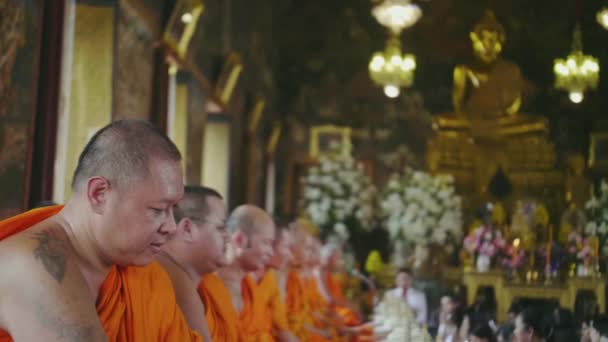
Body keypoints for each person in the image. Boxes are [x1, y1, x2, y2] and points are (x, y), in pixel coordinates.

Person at [0, 120, 201, 341]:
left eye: (173, 209)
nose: (171, 227)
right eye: (158, 209)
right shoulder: (33, 264)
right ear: (99, 194)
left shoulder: (145, 278)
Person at [157, 185, 229, 341]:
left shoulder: (211, 286)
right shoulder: (159, 276)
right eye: (221, 227)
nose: (228, 237)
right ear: (188, 229)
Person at [197, 205, 275, 341]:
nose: (270, 252)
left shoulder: (249, 285)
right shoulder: (216, 289)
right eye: (266, 243)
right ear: (239, 240)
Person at [249, 218, 298, 341]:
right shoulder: (243, 278)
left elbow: (281, 327)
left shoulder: (270, 277)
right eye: (286, 247)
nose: (290, 255)